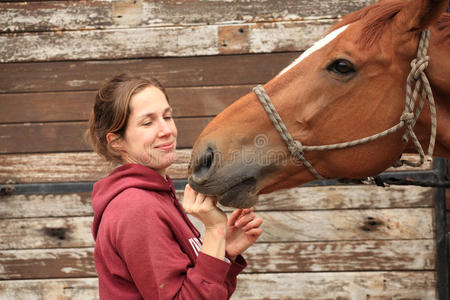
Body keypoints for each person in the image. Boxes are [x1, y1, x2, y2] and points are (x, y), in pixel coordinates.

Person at [87, 73, 263, 299]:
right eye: (148, 122)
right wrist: (214, 230)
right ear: (117, 141)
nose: (166, 130)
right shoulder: (136, 208)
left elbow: (205, 292)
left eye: (167, 117)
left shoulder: (157, 197)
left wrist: (222, 251)